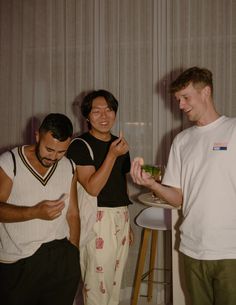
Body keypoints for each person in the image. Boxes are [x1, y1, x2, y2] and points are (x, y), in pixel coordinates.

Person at [130, 67, 236, 305]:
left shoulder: (233, 130)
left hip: (231, 251)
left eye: (186, 98)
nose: (181, 105)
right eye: (178, 100)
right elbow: (177, 198)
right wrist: (152, 185)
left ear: (206, 92)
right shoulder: (181, 140)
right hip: (191, 249)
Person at [0, 113, 81, 305]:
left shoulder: (68, 166)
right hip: (19, 261)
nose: (53, 157)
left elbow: (73, 213)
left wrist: (73, 253)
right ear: (37, 136)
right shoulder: (9, 162)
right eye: (49, 149)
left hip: (61, 257)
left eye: (61, 151)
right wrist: (34, 212)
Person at [67, 89, 133, 305]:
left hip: (120, 217)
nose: (104, 116)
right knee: (96, 287)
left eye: (109, 110)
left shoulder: (119, 143)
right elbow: (92, 188)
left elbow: (121, 184)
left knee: (114, 282)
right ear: (87, 116)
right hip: (97, 219)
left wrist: (128, 221)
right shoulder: (79, 145)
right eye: (97, 111)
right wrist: (112, 155)